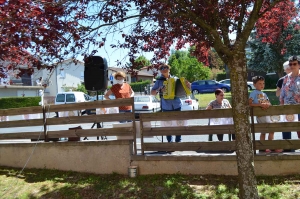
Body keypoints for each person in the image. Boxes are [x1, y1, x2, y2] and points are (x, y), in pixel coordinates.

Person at [151, 64, 191, 143]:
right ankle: (170, 142)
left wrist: (188, 86)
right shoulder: (159, 81)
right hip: (166, 106)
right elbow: (152, 92)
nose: (164, 69)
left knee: (179, 124)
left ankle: (178, 141)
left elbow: (185, 90)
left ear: (169, 69)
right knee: (167, 125)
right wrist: (159, 89)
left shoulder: (176, 79)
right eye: (162, 68)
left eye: (166, 67)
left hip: (177, 104)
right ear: (160, 71)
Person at [249, 76, 282, 153]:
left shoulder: (264, 94)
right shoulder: (253, 93)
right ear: (254, 85)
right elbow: (250, 103)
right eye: (259, 83)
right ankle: (265, 147)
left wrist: (267, 105)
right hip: (260, 115)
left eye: (263, 83)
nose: (262, 85)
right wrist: (260, 105)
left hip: (267, 114)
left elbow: (268, 103)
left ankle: (268, 146)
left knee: (270, 130)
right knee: (265, 130)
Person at [280, 55, 300, 142]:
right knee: (286, 128)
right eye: (290, 64)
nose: (292, 66)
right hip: (288, 107)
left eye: (294, 64)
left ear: (299, 65)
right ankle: (287, 147)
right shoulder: (285, 78)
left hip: (299, 107)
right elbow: (282, 93)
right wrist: (281, 105)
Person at [276, 61, 293, 141]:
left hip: (297, 105)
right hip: (286, 106)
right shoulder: (282, 80)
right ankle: (287, 145)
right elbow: (277, 94)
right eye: (287, 69)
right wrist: (284, 87)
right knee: (286, 126)